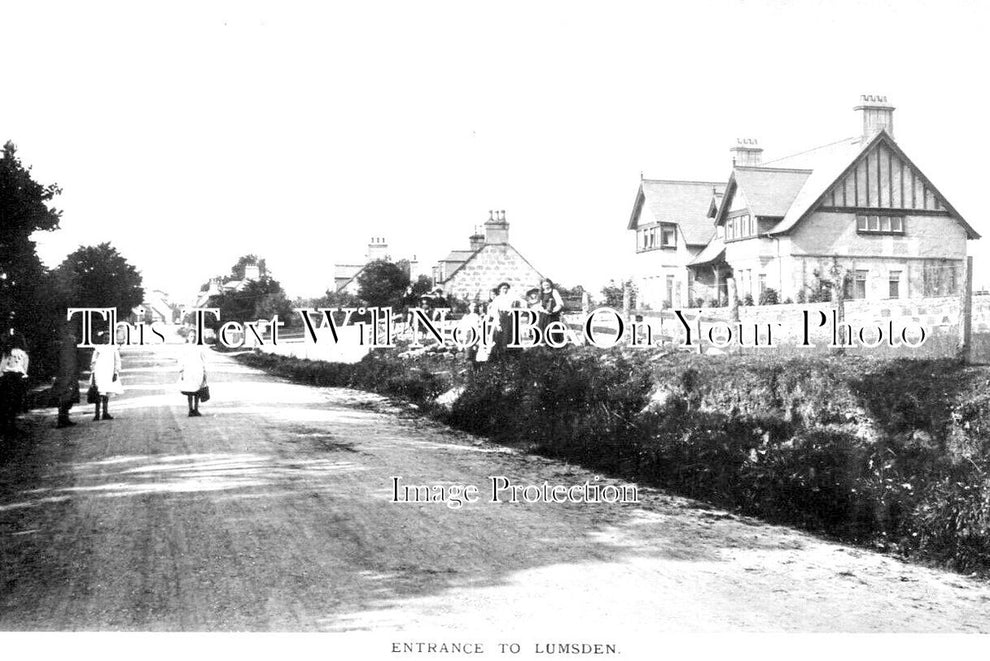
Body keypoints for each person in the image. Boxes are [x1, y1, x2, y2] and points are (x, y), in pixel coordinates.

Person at [0, 332, 30, 434]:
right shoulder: (24, 354)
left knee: (5, 403)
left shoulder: (7, 353)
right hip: (18, 379)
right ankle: (12, 426)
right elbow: (25, 369)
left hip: (6, 379)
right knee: (15, 403)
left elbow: (1, 368)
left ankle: (4, 426)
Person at [52, 326, 80, 428]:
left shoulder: (68, 347)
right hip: (65, 376)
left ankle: (65, 418)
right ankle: (62, 420)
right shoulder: (66, 348)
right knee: (65, 397)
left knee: (68, 397)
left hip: (68, 376)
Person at [90, 335, 123, 421]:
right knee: (98, 393)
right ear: (102, 339)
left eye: (108, 339)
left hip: (109, 372)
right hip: (99, 372)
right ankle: (96, 414)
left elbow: (117, 361)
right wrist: (93, 373)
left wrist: (115, 372)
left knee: (106, 394)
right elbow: (93, 361)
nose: (106, 340)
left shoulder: (114, 348)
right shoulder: (98, 348)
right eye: (105, 338)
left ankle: (105, 412)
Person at [178, 332, 208, 417]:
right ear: (188, 337)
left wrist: (205, 371)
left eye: (194, 336)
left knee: (198, 391)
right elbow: (181, 359)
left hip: (198, 371)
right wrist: (181, 370)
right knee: (189, 391)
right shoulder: (185, 348)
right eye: (191, 336)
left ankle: (196, 409)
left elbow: (204, 360)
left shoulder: (200, 347)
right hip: (188, 371)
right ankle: (190, 410)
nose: (193, 338)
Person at [540, 278, 565, 345]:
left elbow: (560, 303)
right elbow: (539, 304)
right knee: (543, 328)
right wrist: (544, 310)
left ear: (550, 284)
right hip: (544, 314)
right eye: (544, 285)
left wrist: (554, 310)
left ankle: (554, 344)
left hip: (553, 314)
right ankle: (544, 344)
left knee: (552, 329)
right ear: (542, 285)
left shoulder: (554, 291)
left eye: (547, 284)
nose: (546, 286)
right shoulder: (541, 293)